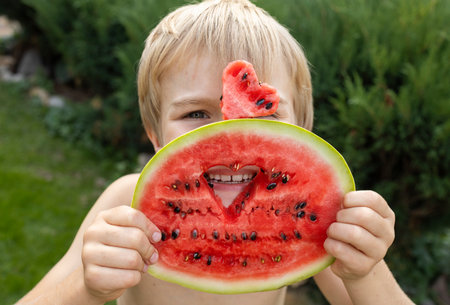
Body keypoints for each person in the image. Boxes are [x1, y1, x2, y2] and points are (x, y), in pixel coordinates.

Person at [17, 1, 414, 304]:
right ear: (154, 134)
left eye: (265, 110)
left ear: (303, 134)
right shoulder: (129, 203)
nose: (231, 139)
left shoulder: (318, 217)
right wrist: (89, 285)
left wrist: (364, 271)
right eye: (196, 113)